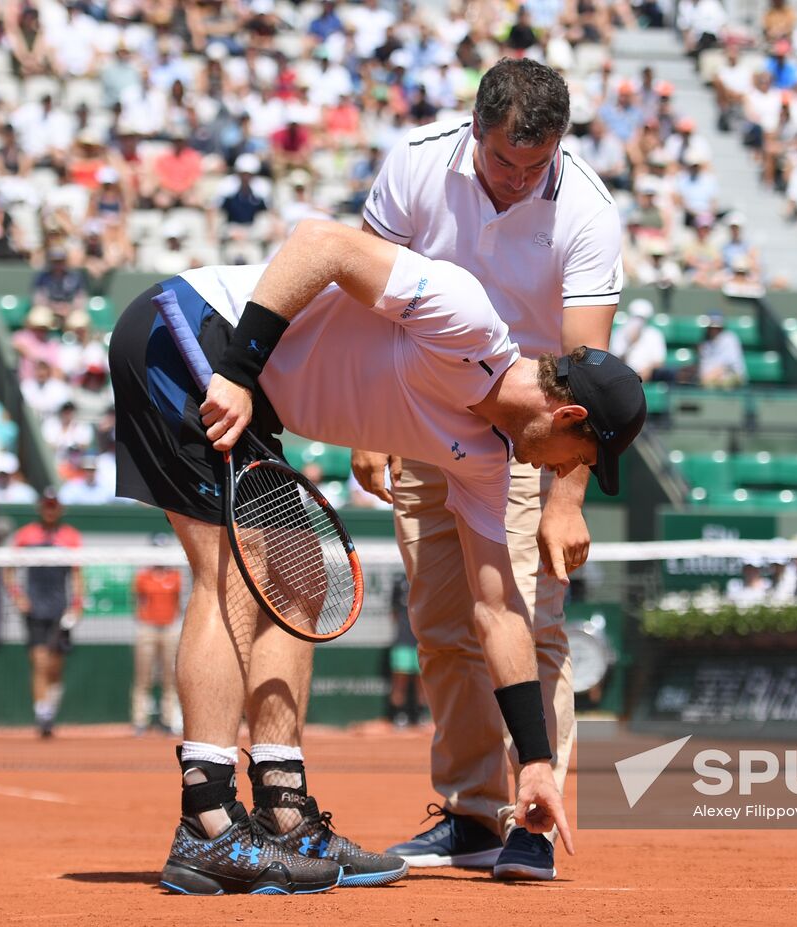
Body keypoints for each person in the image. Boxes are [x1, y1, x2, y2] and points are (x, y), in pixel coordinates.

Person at [108, 218, 643, 894]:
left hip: (248, 383)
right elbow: (320, 244)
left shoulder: (488, 460)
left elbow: (500, 609)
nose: (566, 471)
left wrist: (534, 762)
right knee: (235, 575)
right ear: (568, 418)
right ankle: (207, 822)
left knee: (300, 579)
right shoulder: (465, 317)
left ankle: (283, 810)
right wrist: (238, 373)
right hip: (192, 335)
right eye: (582, 459)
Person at [355, 58, 623, 882]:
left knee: (529, 623)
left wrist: (566, 500)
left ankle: (533, 818)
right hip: (418, 417)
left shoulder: (587, 210)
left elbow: (586, 380)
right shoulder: (414, 162)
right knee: (442, 627)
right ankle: (471, 812)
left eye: (535, 165)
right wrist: (365, 423)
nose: (516, 179)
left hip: (527, 432)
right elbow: (365, 292)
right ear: (476, 127)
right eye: (504, 160)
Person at [3, 490, 84, 737]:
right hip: (35, 610)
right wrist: (17, 596)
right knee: (39, 662)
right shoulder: (25, 535)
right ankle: (43, 714)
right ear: (40, 508)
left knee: (55, 666)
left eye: (54, 506)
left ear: (59, 509)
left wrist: (76, 605)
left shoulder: (71, 536)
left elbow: (77, 575)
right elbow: (8, 569)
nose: (50, 510)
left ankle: (51, 709)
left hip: (60, 611)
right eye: (46, 506)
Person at [132, 537, 183, 736]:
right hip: (148, 629)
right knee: (143, 676)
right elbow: (137, 600)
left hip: (170, 628)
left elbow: (178, 602)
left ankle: (168, 720)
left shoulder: (175, 576)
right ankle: (140, 721)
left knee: (169, 678)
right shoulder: (142, 576)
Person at [386, 574, 424, 728]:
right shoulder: (399, 582)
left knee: (422, 682)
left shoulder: (426, 579)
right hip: (402, 642)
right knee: (400, 681)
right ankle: (399, 715)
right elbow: (394, 613)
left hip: (422, 643)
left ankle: (420, 715)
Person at [608, 298, 667, 382]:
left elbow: (659, 362)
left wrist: (647, 370)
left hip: (649, 376)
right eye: (636, 317)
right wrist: (629, 343)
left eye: (642, 318)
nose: (638, 321)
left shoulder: (655, 334)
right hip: (623, 375)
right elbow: (616, 360)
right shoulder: (619, 333)